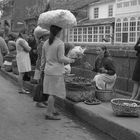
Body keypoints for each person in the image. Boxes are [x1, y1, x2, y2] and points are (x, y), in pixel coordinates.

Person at [41, 25, 75, 120]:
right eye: (61, 31)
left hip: (48, 70)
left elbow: (43, 58)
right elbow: (61, 58)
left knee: (50, 92)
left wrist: (41, 69)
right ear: (58, 32)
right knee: (53, 93)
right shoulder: (60, 43)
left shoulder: (46, 43)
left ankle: (52, 109)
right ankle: (49, 113)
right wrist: (71, 60)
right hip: (56, 71)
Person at [32, 27, 50, 108]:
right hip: (41, 66)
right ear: (43, 36)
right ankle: (39, 101)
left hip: (44, 65)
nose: (49, 36)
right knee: (41, 84)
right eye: (47, 35)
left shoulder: (44, 44)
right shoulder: (42, 44)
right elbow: (44, 56)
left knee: (45, 84)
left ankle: (44, 100)